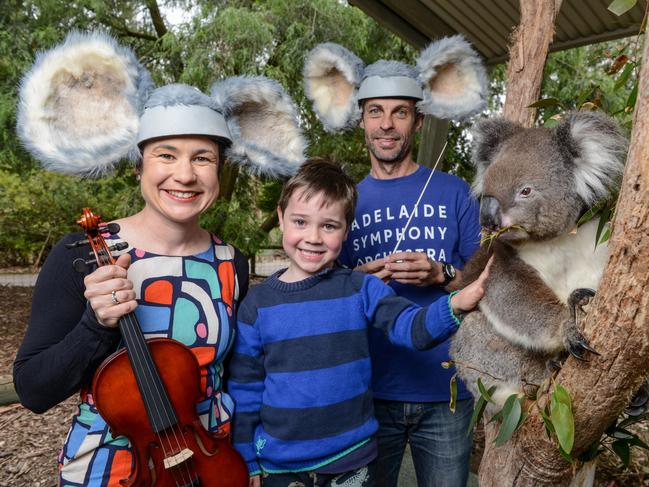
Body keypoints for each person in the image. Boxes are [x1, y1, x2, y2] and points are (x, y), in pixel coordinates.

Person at [13, 31, 305, 486]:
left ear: (219, 170)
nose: (184, 175)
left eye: (202, 158)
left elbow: (230, 378)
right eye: (166, 155)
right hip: (115, 471)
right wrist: (95, 324)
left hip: (211, 465)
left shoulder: (231, 262)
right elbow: (33, 390)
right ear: (139, 165)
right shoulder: (81, 255)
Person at [228, 158, 491, 487]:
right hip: (280, 467)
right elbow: (245, 388)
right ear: (281, 219)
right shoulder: (257, 304)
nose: (313, 237)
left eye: (329, 226)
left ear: (346, 230)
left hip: (352, 462)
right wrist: (247, 459)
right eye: (300, 221)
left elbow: (411, 328)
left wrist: (456, 303)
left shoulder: (361, 288)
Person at [303, 38, 488, 486]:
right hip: (367, 391)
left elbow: (486, 284)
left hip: (446, 390)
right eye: (376, 112)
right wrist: (356, 279)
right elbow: (316, 289)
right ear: (361, 120)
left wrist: (440, 274)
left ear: (418, 121)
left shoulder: (454, 191)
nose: (387, 125)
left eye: (400, 112)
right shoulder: (342, 200)